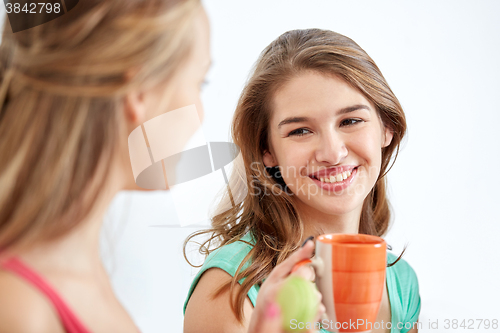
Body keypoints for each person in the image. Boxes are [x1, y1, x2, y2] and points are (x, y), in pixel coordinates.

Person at [184, 29, 421, 333]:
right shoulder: (233, 287)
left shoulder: (401, 283)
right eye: (300, 131)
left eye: (350, 121)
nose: (333, 153)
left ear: (387, 127)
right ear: (267, 150)